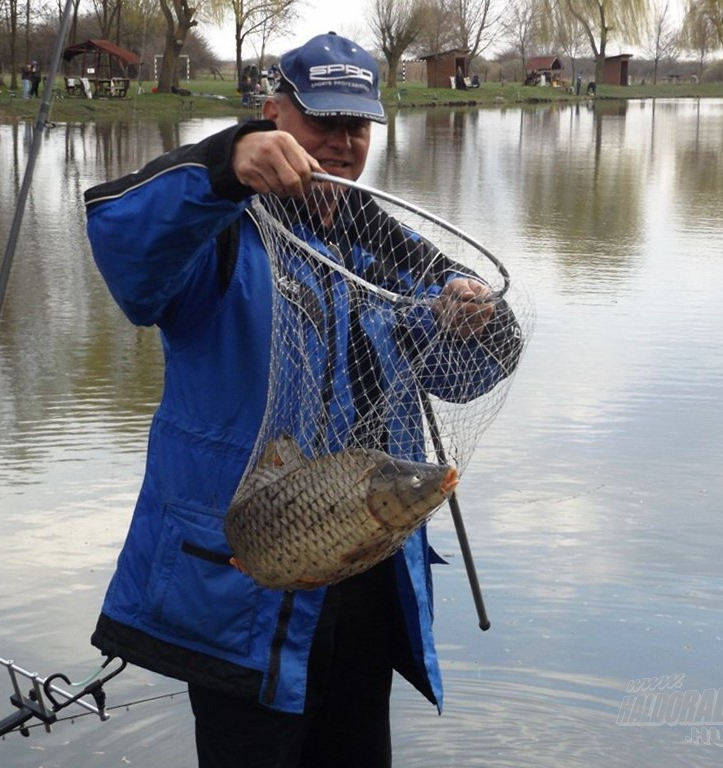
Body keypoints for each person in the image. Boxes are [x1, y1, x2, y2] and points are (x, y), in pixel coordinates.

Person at [84, 32, 522, 768]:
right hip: (241, 581)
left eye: (358, 126)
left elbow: (468, 373)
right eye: (323, 121)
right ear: (273, 113)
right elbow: (126, 244)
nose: (342, 143)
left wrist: (475, 319)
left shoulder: (389, 250)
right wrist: (227, 161)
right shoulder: (214, 235)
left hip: (367, 577)